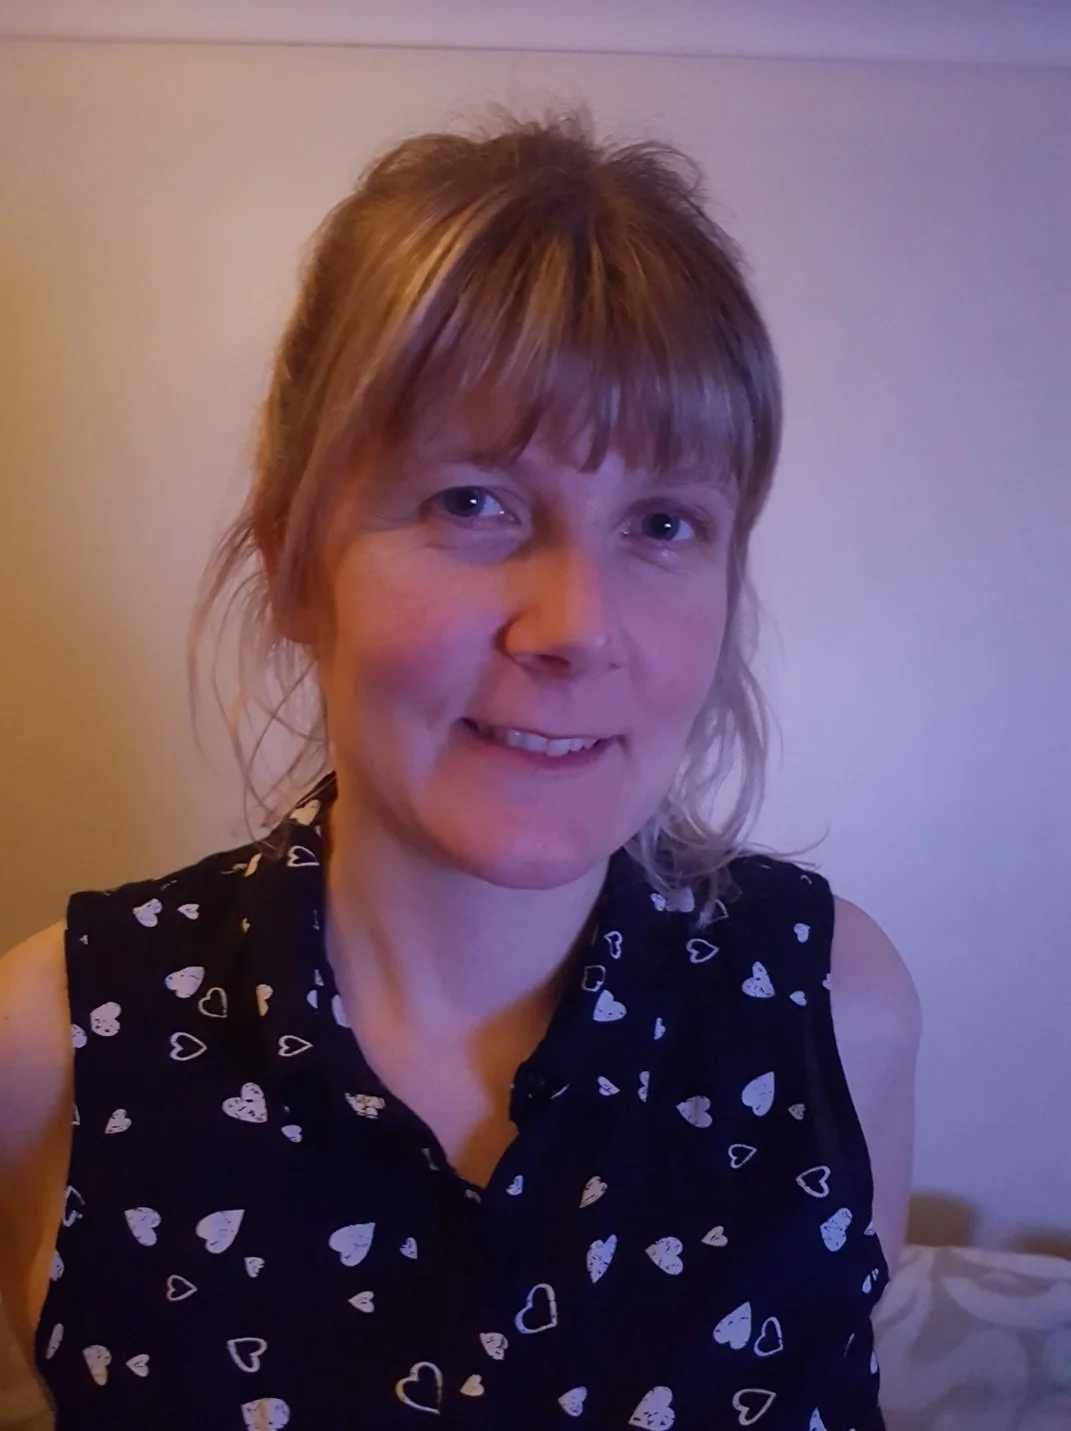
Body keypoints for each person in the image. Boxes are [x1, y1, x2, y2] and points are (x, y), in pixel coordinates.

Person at [0, 109, 921, 1430]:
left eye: (662, 522)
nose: (574, 627)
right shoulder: (52, 1049)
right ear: (294, 561)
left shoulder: (837, 1005)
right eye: (470, 502)